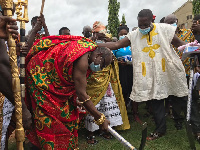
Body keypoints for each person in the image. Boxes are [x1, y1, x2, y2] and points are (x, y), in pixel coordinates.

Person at [97, 9, 188, 140]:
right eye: (140, 24)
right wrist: (93, 44)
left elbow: (180, 44)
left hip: (169, 69)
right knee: (156, 101)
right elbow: (117, 44)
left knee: (181, 98)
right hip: (151, 74)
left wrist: (194, 47)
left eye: (146, 24)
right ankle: (160, 129)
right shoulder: (134, 34)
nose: (143, 27)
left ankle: (192, 125)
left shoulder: (164, 29)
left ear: (152, 20)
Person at [25, 35, 112, 149]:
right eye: (103, 64)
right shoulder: (83, 59)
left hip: (53, 82)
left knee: (69, 113)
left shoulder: (87, 49)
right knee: (49, 117)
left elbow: (75, 85)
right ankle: (46, 145)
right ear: (99, 55)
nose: (102, 68)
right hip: (39, 76)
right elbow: (82, 94)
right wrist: (100, 118)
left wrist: (77, 99)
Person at [84, 21, 130, 144]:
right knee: (94, 104)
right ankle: (90, 133)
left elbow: (112, 56)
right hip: (93, 79)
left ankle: (105, 130)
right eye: (100, 32)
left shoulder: (108, 42)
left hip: (106, 78)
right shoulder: (88, 43)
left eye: (104, 32)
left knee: (107, 105)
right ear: (94, 32)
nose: (102, 34)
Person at [164, 14, 195, 130]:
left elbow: (194, 48)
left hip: (187, 70)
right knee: (176, 97)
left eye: (172, 22)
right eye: (168, 23)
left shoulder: (188, 33)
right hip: (172, 72)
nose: (170, 24)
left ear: (176, 22)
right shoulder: (164, 36)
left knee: (188, 97)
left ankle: (191, 119)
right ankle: (178, 120)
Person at [112, 24, 142, 124]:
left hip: (133, 70)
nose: (123, 36)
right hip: (121, 71)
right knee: (123, 93)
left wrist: (129, 62)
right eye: (121, 34)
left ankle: (135, 114)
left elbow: (139, 57)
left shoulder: (134, 44)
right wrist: (118, 62)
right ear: (118, 35)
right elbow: (112, 60)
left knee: (134, 92)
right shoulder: (116, 46)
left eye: (125, 34)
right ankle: (123, 114)